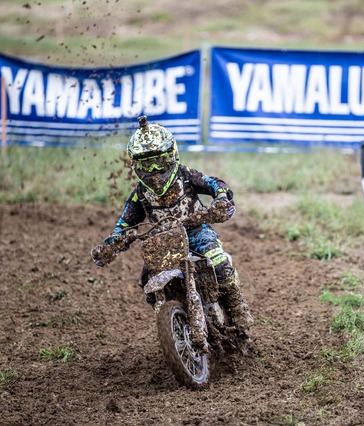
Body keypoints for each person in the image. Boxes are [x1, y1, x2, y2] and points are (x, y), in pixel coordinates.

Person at [91, 115, 253, 339]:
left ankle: (236, 306)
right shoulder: (140, 194)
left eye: (159, 160)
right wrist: (113, 242)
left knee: (218, 259)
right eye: (147, 163)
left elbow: (214, 183)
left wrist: (222, 198)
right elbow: (124, 223)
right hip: (162, 241)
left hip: (196, 230)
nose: (155, 169)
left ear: (172, 154)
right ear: (136, 165)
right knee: (147, 278)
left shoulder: (185, 176)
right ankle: (171, 323)